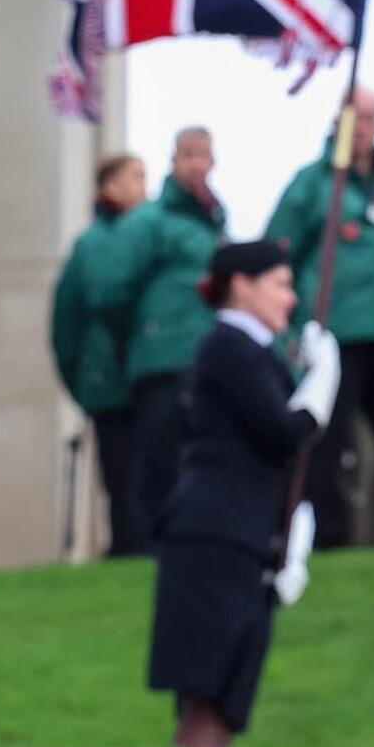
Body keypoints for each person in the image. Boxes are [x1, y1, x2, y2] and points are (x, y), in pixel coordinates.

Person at [148, 241, 340, 747]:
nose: (291, 298)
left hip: (239, 533)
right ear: (241, 285)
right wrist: (323, 381)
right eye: (279, 284)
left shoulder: (253, 353)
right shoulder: (227, 346)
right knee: (210, 688)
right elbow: (283, 432)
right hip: (215, 532)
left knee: (229, 689)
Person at [266, 88, 374, 549]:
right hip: (338, 335)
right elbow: (279, 254)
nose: (363, 129)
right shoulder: (313, 184)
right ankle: (329, 540)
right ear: (338, 122)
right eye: (355, 118)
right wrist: (295, 328)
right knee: (328, 446)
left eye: (372, 119)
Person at [90, 127, 228, 552]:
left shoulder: (213, 225)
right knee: (160, 467)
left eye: (203, 155)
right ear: (173, 160)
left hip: (206, 362)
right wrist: (143, 334)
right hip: (162, 364)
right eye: (188, 155)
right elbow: (109, 292)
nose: (196, 164)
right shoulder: (148, 221)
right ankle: (157, 550)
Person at [49, 151, 147, 555]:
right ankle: (128, 550)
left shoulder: (152, 236)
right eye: (135, 177)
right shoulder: (91, 245)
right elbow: (66, 325)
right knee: (122, 480)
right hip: (110, 387)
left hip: (153, 381)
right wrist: (85, 384)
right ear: (110, 186)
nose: (145, 186)